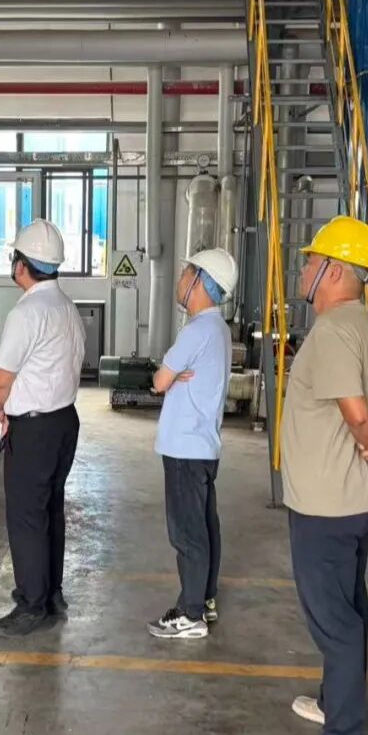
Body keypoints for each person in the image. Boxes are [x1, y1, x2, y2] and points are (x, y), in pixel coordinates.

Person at [277, 216, 368, 735]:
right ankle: (335, 701)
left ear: (334, 270)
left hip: (326, 502)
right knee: (349, 605)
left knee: (334, 618)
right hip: (347, 497)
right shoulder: (363, 324)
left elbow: (357, 413)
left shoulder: (334, 331)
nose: (304, 270)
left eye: (311, 261)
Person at [0, 219, 85, 637]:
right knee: (50, 509)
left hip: (34, 429)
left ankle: (31, 604)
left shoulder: (27, 313)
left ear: (21, 265)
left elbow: (0, 382)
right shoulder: (67, 307)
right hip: (64, 422)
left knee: (27, 515)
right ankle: (50, 592)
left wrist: (1, 413)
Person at [146, 248, 238, 640]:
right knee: (205, 527)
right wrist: (175, 372)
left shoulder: (197, 330)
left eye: (187, 271)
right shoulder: (219, 330)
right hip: (202, 445)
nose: (181, 277)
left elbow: (159, 382)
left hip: (185, 447)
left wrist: (169, 373)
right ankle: (205, 599)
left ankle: (191, 613)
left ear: (200, 282)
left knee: (187, 534)